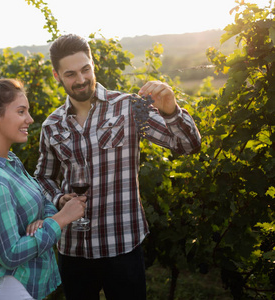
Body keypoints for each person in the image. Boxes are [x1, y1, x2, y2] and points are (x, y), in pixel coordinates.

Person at [34, 34, 202, 300]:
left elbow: (187, 146)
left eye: (85, 69)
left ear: (93, 64)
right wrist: (58, 197)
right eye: (70, 74)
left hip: (122, 245)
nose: (80, 79)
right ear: (56, 75)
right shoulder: (51, 125)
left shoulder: (128, 107)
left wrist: (171, 112)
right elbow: (42, 178)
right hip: (74, 249)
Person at [0, 78, 87, 300]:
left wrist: (46, 218)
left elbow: (43, 200)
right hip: (11, 291)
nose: (29, 119)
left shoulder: (10, 161)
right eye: (21, 112)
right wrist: (60, 219)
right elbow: (10, 253)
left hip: (26, 288)